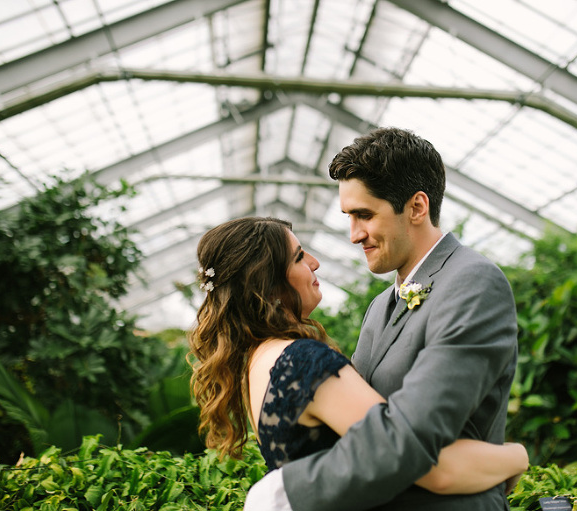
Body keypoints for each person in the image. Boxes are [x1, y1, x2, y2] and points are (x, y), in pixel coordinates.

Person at [247, 127, 521, 510]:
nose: (354, 235)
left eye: (364, 215)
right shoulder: (379, 306)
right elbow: (358, 434)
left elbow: (412, 437)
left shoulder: (473, 283)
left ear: (417, 207)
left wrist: (282, 493)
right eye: (349, 216)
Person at [188, 216, 527, 509]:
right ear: (269, 284)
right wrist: (516, 457)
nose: (315, 263)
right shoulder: (301, 363)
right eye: (299, 257)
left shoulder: (258, 361)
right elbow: (425, 464)